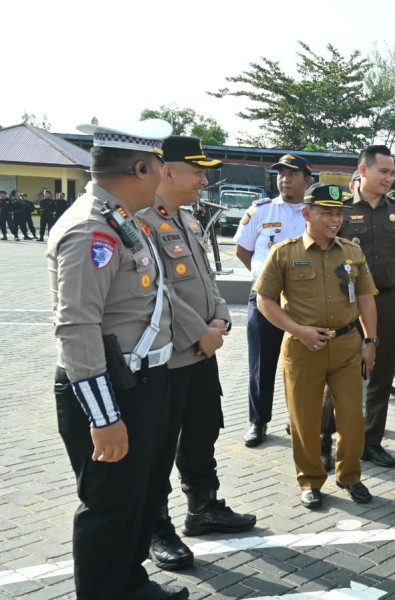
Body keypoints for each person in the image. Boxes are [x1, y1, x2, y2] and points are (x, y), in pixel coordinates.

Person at [49, 119, 190, 599]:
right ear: (138, 166)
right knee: (109, 504)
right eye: (158, 168)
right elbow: (77, 326)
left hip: (142, 383)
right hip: (110, 389)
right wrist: (104, 416)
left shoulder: (123, 219)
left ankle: (130, 582)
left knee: (140, 495)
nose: (162, 177)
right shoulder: (92, 228)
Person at [140, 136, 256, 571]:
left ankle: (203, 508)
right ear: (167, 171)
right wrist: (200, 332)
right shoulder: (141, 221)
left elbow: (209, 280)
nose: (203, 180)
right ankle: (157, 526)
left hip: (202, 353)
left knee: (203, 430)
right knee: (159, 445)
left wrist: (222, 320)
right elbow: (158, 291)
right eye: (197, 172)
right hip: (169, 357)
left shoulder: (187, 219)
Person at [255, 183, 379, 508]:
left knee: (352, 418)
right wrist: (299, 330)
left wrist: (371, 340)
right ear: (307, 213)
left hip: (347, 347)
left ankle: (349, 476)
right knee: (305, 421)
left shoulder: (352, 252)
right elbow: (264, 301)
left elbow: (366, 299)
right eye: (327, 213)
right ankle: (310, 480)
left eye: (339, 213)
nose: (335, 219)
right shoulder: (285, 252)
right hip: (302, 350)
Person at [327, 145, 395, 470]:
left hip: (388, 299)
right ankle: (325, 441)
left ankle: (371, 442)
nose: (390, 179)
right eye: (384, 172)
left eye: (392, 173)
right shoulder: (341, 211)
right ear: (363, 171)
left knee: (380, 374)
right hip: (346, 301)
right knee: (338, 371)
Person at [234, 154, 313, 447]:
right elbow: (244, 251)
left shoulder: (314, 212)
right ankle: (258, 421)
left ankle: (299, 420)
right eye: (281, 173)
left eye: (292, 174)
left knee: (302, 366)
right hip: (266, 300)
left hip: (304, 302)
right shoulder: (260, 211)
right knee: (261, 363)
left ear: (307, 180)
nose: (284, 178)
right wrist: (263, 281)